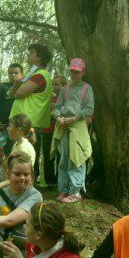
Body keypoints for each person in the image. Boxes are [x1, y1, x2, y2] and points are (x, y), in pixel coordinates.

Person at [52, 59, 94, 204]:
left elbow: (89, 109)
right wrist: (58, 118)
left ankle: (75, 192)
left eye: (77, 72)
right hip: (63, 126)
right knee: (63, 158)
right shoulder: (65, 89)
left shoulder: (87, 88)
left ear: (83, 72)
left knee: (77, 159)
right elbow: (57, 107)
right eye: (72, 71)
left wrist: (74, 118)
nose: (74, 74)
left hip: (78, 126)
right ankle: (63, 190)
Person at [9, 43, 53, 178]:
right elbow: (12, 93)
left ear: (39, 57)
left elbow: (19, 93)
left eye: (32, 52)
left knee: (26, 156)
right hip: (23, 120)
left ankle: (28, 183)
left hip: (29, 121)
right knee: (23, 154)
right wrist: (17, 83)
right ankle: (25, 182)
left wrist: (18, 86)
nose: (28, 54)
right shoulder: (31, 73)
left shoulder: (40, 75)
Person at [40, 74, 66, 188]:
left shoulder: (67, 99)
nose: (55, 87)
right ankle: (50, 181)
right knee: (48, 156)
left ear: (64, 85)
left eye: (57, 84)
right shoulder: (49, 99)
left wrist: (54, 108)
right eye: (53, 84)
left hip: (61, 131)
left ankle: (60, 181)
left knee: (61, 155)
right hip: (47, 130)